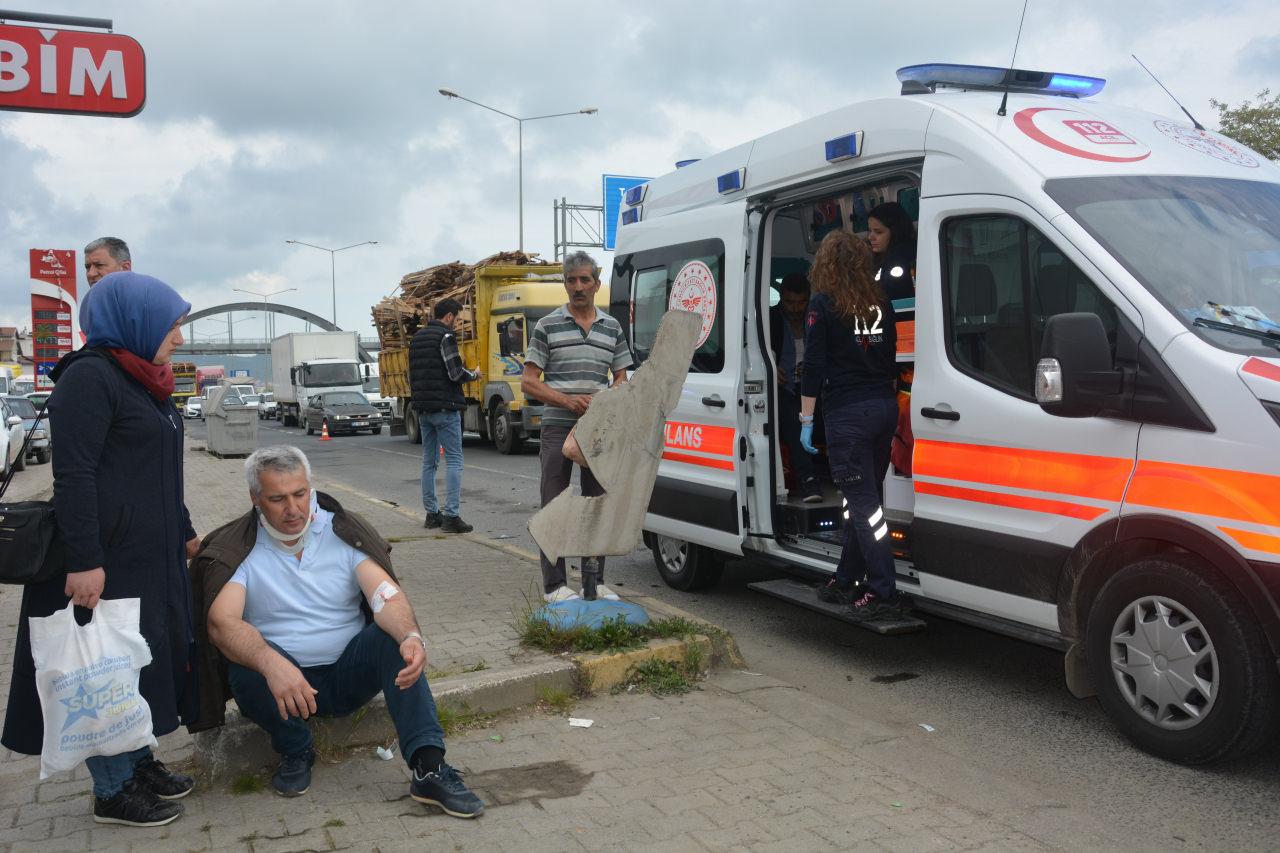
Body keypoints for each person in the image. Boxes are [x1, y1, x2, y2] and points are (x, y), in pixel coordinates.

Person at [3, 271, 202, 827]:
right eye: (172, 326)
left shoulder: (144, 379)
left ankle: (138, 759)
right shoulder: (90, 378)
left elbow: (161, 471)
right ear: (134, 322)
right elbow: (75, 476)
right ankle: (112, 790)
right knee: (105, 670)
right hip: (107, 558)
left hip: (149, 554)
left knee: (138, 661)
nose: (178, 338)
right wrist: (85, 561)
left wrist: (184, 527)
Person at [200, 445, 484, 817]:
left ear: (310, 488)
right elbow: (222, 623)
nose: (293, 509)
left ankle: (429, 767)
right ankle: (295, 748)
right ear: (255, 499)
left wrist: (411, 637)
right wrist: (270, 663)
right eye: (278, 498)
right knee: (246, 659)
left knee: (395, 641)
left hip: (346, 675)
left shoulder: (342, 532)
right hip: (282, 688)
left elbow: (387, 597)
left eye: (301, 494)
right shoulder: (241, 549)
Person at [800, 231, 901, 620]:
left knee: (863, 508)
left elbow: (814, 365)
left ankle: (882, 592)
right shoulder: (882, 304)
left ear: (827, 264)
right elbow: (890, 360)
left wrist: (806, 419)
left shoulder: (823, 305)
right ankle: (845, 580)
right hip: (883, 408)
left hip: (848, 414)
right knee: (862, 499)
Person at [521, 251, 632, 603]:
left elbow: (621, 378)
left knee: (596, 504)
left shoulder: (611, 327)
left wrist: (605, 403)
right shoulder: (547, 326)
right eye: (572, 280)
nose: (578, 286)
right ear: (565, 284)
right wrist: (568, 402)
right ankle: (555, 586)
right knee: (554, 503)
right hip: (557, 427)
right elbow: (528, 382)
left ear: (597, 284)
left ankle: (594, 582)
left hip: (596, 432)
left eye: (585, 280)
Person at [408, 297, 482, 534]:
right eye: (457, 319)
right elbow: (455, 373)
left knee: (429, 462)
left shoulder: (416, 339)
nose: (457, 324)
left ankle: (432, 515)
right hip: (445, 408)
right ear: (448, 316)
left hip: (423, 409)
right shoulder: (446, 337)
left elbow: (412, 376)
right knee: (455, 462)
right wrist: (474, 375)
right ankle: (451, 516)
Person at [769, 272, 821, 502]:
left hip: (813, 387)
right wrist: (769, 369)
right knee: (793, 419)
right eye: (790, 302)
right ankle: (809, 481)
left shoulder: (817, 320)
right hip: (783, 389)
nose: (795, 309)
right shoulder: (769, 320)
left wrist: (812, 369)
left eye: (801, 303)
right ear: (781, 297)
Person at [865, 202, 916, 302]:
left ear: (895, 232)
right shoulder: (881, 258)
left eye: (878, 232)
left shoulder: (898, 260)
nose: (870, 237)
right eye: (869, 231)